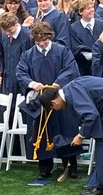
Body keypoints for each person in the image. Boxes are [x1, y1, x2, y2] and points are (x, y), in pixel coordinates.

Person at [40, 79, 103, 195]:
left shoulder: (72, 93)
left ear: (54, 103)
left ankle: (102, 185)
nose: (55, 110)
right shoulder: (70, 88)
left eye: (52, 109)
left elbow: (91, 116)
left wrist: (80, 136)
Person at [16, 21, 80, 183]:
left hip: (60, 98)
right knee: (41, 132)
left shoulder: (62, 51)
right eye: (38, 42)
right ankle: (44, 168)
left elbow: (70, 69)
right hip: (40, 100)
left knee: (65, 129)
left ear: (50, 37)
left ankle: (70, 166)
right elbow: (21, 72)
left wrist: (57, 84)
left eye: (44, 40)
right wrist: (32, 84)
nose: (42, 44)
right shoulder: (28, 55)